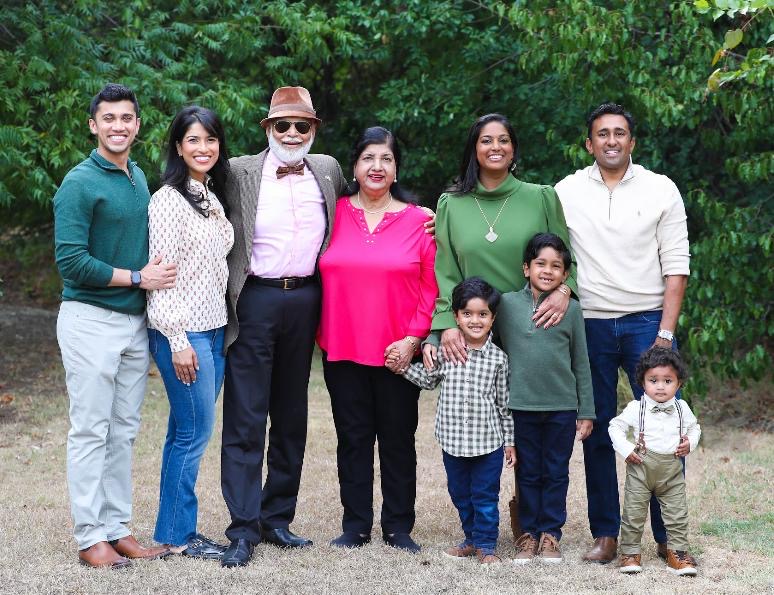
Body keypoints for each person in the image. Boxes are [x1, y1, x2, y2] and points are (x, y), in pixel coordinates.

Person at [555, 103, 690, 563]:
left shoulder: (660, 189)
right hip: (588, 322)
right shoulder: (566, 191)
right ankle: (606, 534)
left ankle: (669, 537)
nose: (611, 141)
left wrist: (665, 335)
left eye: (620, 133)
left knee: (660, 430)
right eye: (602, 134)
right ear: (589, 143)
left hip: (646, 323)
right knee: (594, 430)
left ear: (632, 141)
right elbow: (548, 254)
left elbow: (677, 267)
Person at [218, 86, 348, 567]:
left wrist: (420, 216)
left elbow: (365, 205)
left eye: (302, 126)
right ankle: (242, 527)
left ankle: (277, 519)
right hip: (255, 297)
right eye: (282, 125)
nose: (292, 134)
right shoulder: (237, 171)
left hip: (308, 299)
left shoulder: (328, 169)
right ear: (267, 128)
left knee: (292, 416)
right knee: (247, 416)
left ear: (313, 129)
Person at [53, 83, 176, 568]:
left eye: (127, 117)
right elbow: (71, 262)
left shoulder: (138, 177)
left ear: (138, 125)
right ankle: (90, 539)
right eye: (109, 118)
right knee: (90, 431)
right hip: (89, 321)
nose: (118, 126)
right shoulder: (79, 183)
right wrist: (138, 277)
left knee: (123, 430)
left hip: (132, 324)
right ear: (93, 124)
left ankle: (117, 529)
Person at [318, 126, 437, 553]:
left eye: (386, 159)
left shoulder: (420, 221)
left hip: (399, 354)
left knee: (398, 440)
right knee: (352, 439)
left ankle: (398, 526)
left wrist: (413, 339)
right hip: (342, 347)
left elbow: (431, 287)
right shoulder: (331, 214)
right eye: (368, 158)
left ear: (396, 168)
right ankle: (355, 525)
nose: (377, 166)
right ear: (354, 165)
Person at [146, 106, 234, 559]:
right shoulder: (168, 200)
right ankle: (179, 536)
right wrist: (178, 341)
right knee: (193, 434)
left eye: (211, 140)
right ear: (178, 146)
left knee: (182, 429)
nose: (204, 148)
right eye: (194, 140)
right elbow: (161, 278)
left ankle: (173, 528)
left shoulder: (207, 194)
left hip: (215, 330)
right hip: (184, 334)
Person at [428, 113, 576, 367]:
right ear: (474, 150)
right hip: (474, 333)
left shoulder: (541, 197)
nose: (496, 147)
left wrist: (565, 291)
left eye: (503, 140)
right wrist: (448, 323)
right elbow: (446, 273)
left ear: (513, 150)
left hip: (536, 326)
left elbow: (566, 260)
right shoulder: (450, 205)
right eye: (486, 141)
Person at [400, 277, 514, 564]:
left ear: (493, 318)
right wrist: (400, 368)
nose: (475, 320)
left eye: (482, 314)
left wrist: (510, 442)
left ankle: (487, 546)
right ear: (456, 317)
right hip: (452, 441)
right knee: (460, 493)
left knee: (485, 497)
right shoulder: (447, 354)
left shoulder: (499, 360)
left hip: (487, 443)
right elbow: (428, 380)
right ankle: (471, 538)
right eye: (467, 314)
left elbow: (504, 405)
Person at [498, 233, 595, 564]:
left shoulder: (572, 310)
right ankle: (528, 534)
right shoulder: (507, 305)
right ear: (526, 268)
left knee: (555, 471)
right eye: (540, 263)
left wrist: (587, 410)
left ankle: (551, 534)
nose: (548, 270)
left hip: (561, 407)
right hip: (520, 406)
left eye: (556, 266)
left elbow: (581, 362)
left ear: (565, 275)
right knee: (526, 472)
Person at [609, 347, 700, 576]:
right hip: (641, 467)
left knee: (677, 513)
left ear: (678, 384)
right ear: (642, 382)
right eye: (653, 380)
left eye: (668, 380)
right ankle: (630, 553)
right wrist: (627, 448)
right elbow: (615, 427)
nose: (660, 386)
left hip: (671, 471)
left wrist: (690, 441)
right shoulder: (636, 408)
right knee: (633, 512)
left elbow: (694, 427)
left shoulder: (682, 408)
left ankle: (677, 554)